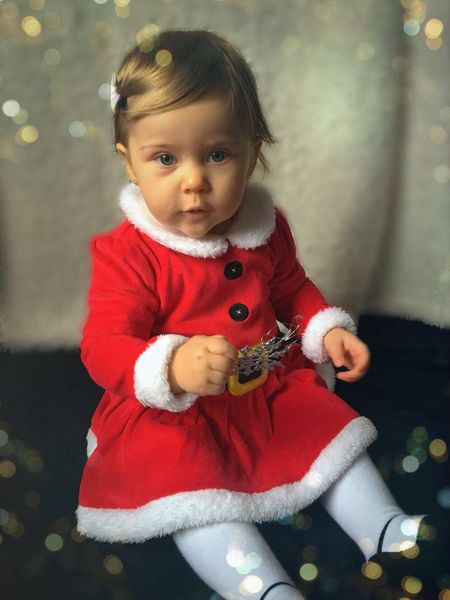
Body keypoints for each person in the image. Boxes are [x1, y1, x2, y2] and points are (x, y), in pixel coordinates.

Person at [77, 30, 426, 600]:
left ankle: (385, 528)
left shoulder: (264, 228)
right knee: (195, 499)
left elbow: (292, 290)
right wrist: (172, 367)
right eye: (165, 159)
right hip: (179, 414)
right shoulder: (129, 254)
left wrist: (325, 329)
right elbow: (104, 344)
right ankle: (263, 587)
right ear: (130, 164)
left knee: (332, 444)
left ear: (253, 151)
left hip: (264, 387)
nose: (194, 180)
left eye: (218, 154)